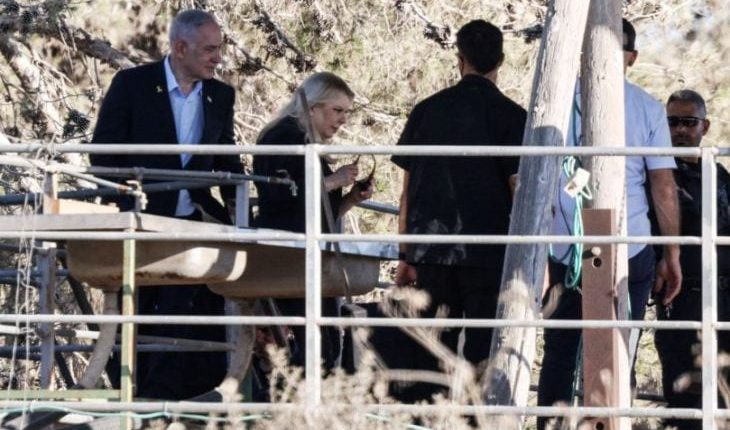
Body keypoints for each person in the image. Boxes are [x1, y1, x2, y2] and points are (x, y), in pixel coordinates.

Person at [537, 19, 682, 429]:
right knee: (621, 348)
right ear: (631, 58)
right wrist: (672, 253)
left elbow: (539, 182)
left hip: (568, 243)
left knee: (560, 351)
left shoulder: (558, 104)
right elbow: (663, 186)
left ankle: (554, 425)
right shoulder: (646, 107)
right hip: (623, 241)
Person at [90, 9, 243, 400]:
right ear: (180, 47)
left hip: (193, 224)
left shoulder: (221, 95)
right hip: (138, 222)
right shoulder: (132, 85)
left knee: (182, 313)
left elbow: (226, 158)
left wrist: (241, 206)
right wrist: (123, 200)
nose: (218, 58)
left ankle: (165, 401)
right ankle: (129, 396)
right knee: (133, 312)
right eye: (209, 49)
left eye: (219, 48)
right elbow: (103, 153)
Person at [391, 19, 526, 402]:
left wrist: (405, 254)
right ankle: (473, 420)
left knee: (431, 349)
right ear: (501, 60)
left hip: (432, 251)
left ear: (459, 59)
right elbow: (519, 190)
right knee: (482, 353)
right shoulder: (513, 116)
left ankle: (426, 418)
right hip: (489, 252)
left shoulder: (426, 111)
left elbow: (407, 191)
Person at [253, 71, 373, 370]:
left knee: (325, 341)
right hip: (287, 253)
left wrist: (350, 198)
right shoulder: (283, 137)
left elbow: (317, 210)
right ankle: (298, 390)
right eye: (337, 110)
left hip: (306, 253)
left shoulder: (307, 141)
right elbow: (281, 195)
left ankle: (302, 389)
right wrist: (334, 181)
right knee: (319, 342)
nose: (343, 120)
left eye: (346, 112)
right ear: (313, 107)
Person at [653, 89, 730, 430]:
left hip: (724, 298)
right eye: (672, 122)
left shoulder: (719, 173)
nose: (680, 130)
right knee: (684, 391)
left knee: (724, 390)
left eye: (689, 122)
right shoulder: (657, 174)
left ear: (705, 126)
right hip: (681, 296)